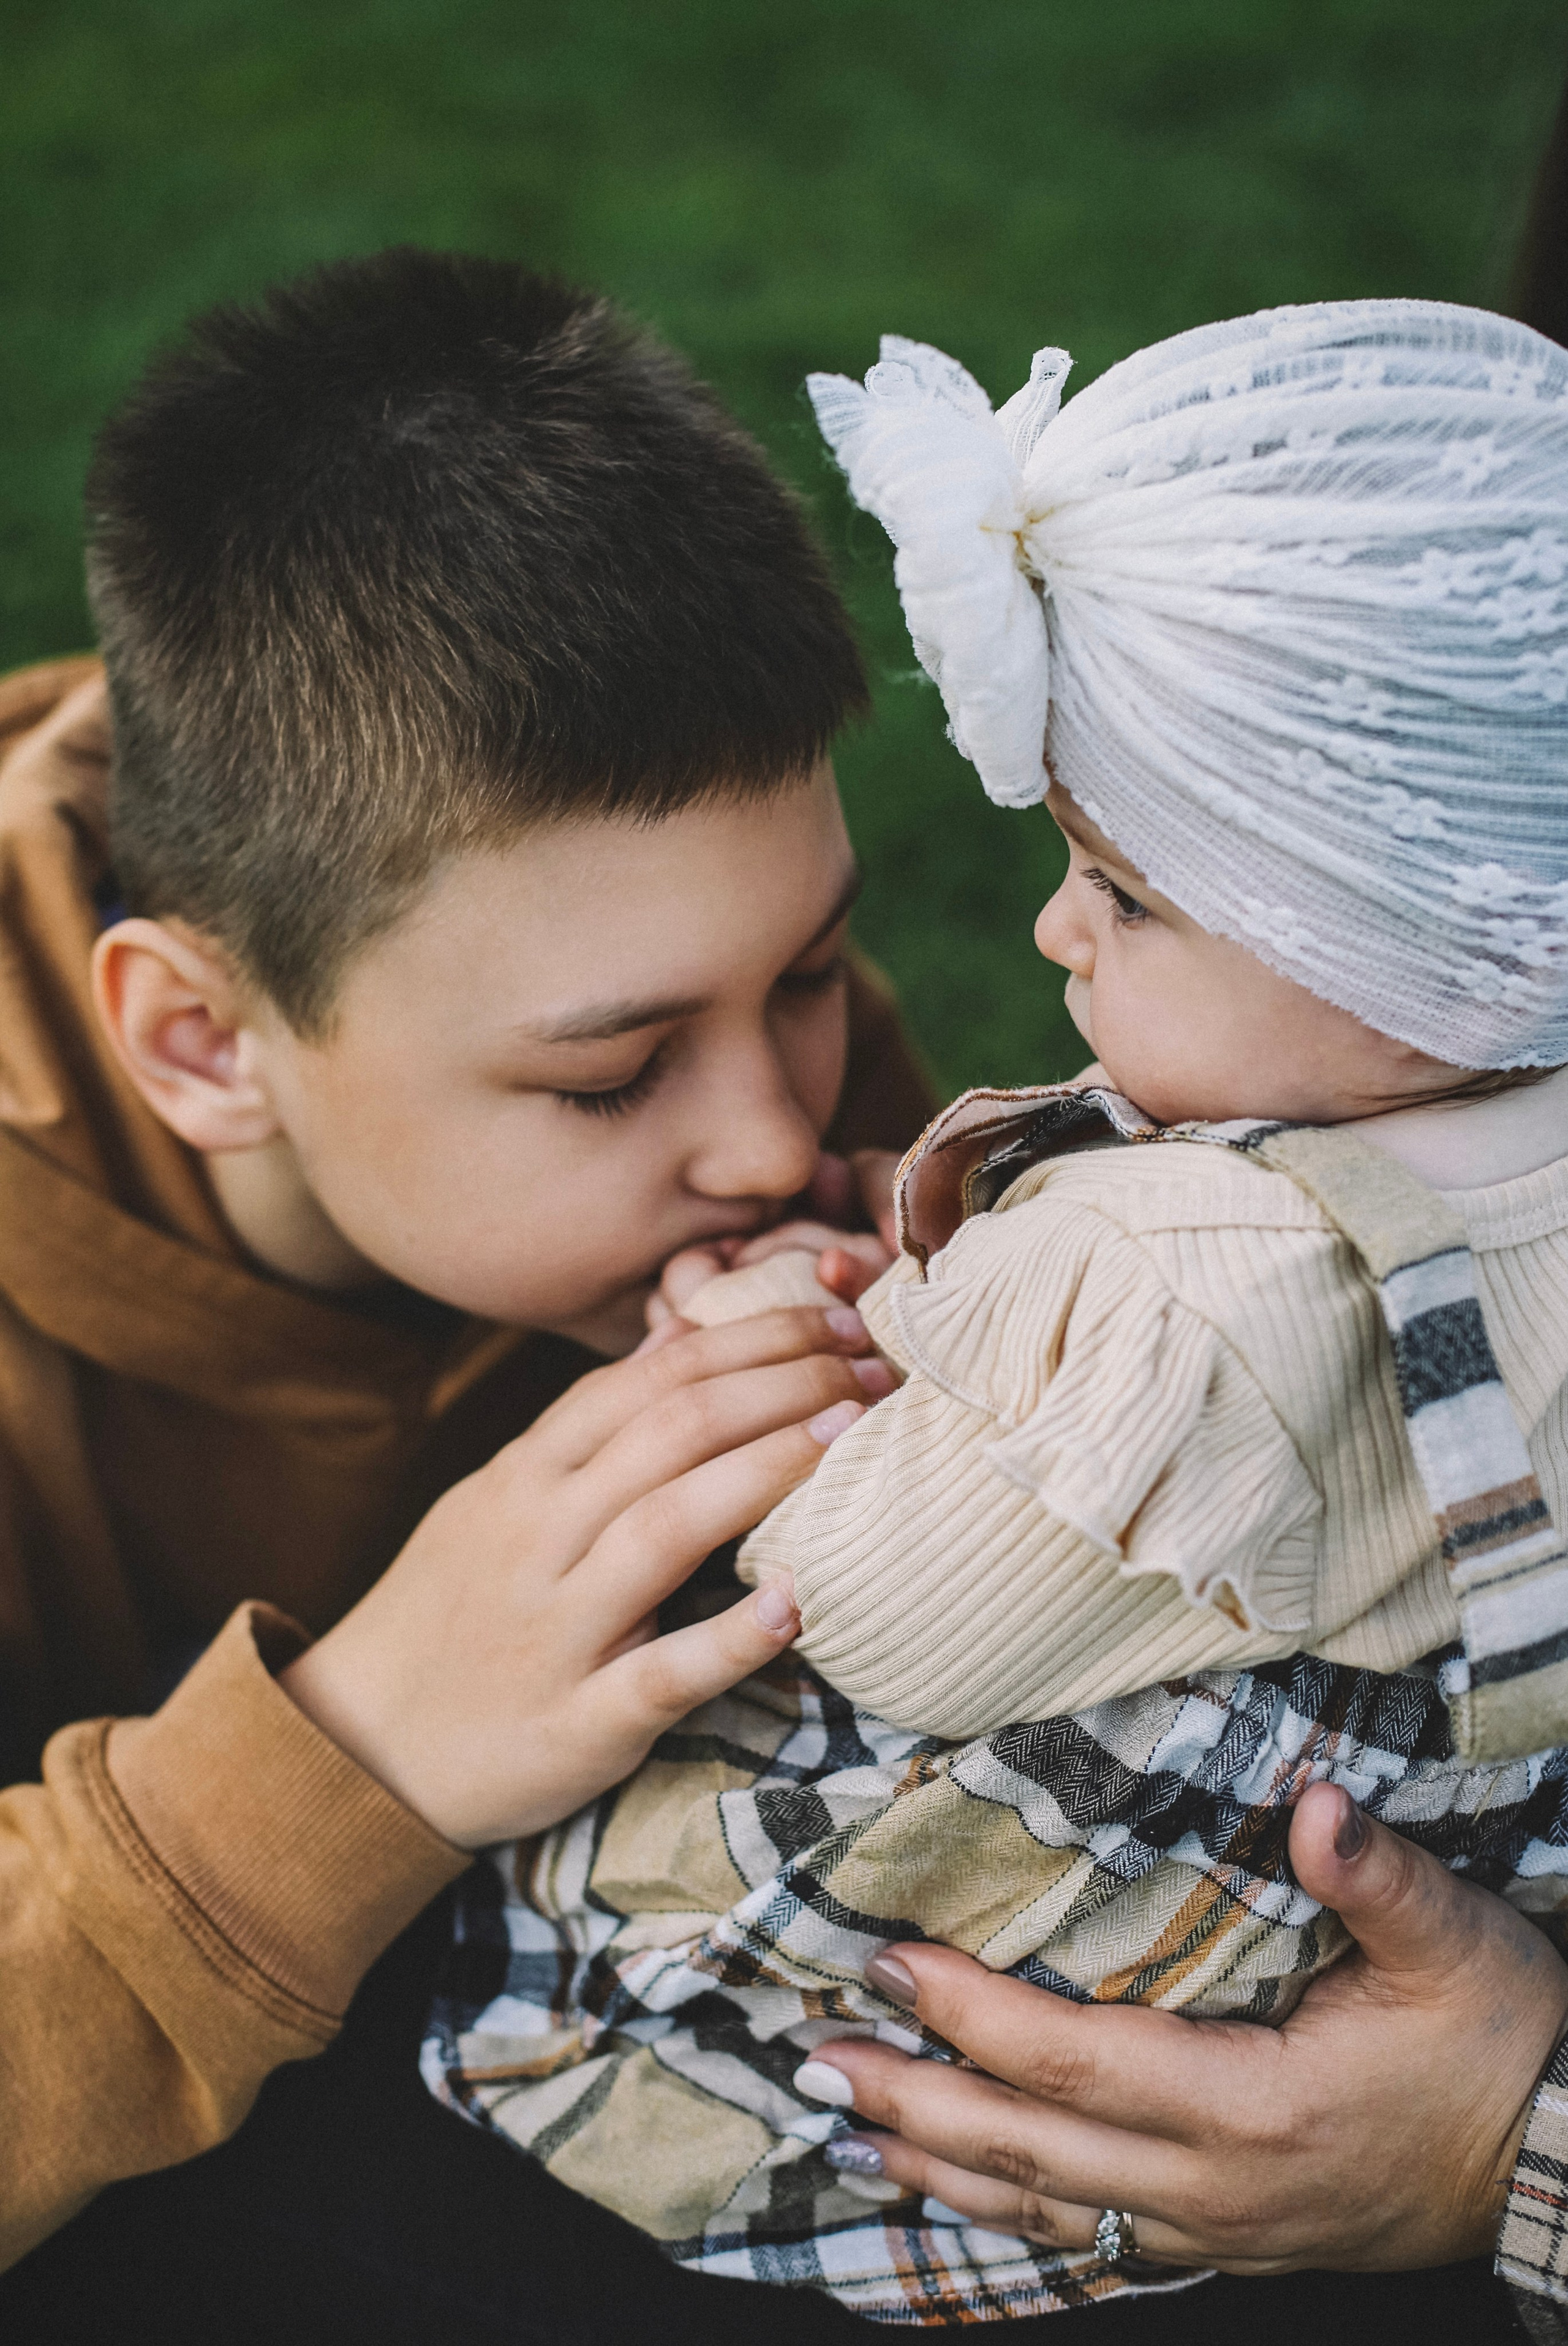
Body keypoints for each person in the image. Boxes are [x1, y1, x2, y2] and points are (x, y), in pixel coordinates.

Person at [420, 301, 1568, 2335]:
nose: (1048, 927)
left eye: (1123, 891)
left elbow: (894, 1612)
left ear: (1375, 946)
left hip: (1096, 1974)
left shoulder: (1173, 1280)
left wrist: (858, 1369)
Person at [0, 247, 939, 2287]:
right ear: (199, 1043)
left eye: (806, 972)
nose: (781, 1130)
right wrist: (351, 1754)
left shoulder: (719, 1052)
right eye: (610, 1079)